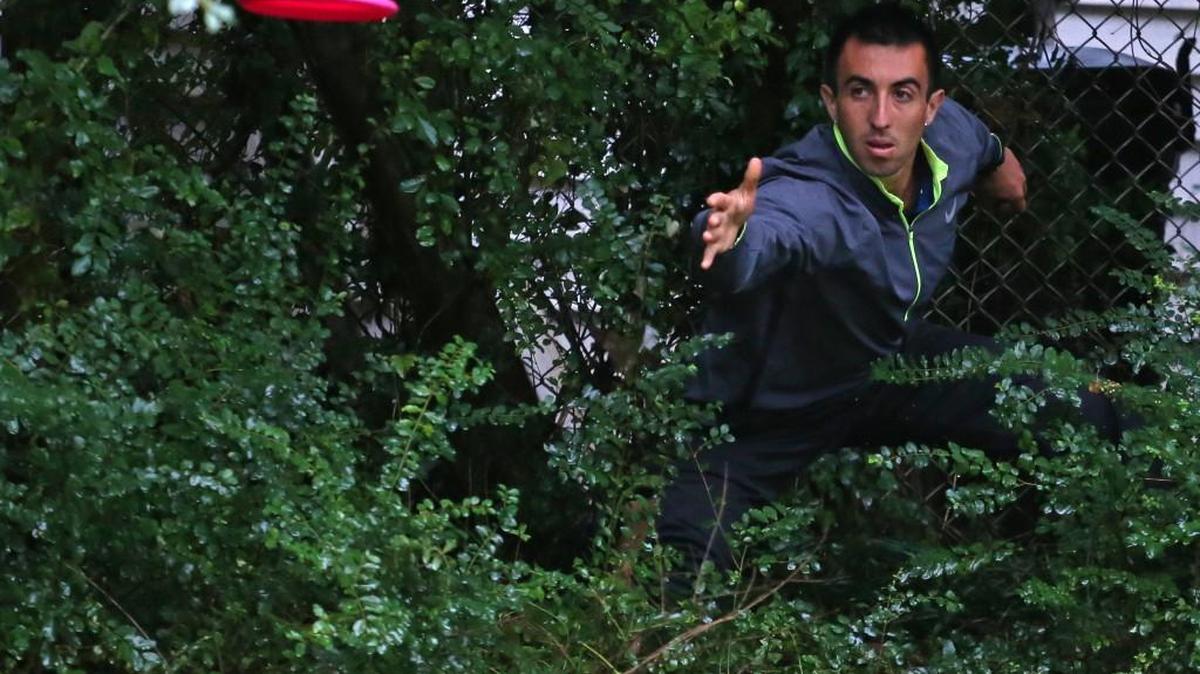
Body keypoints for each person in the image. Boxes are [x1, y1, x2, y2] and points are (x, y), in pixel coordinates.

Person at [658, 3, 1122, 586]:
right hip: (774, 406)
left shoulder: (951, 138)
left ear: (931, 107)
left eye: (903, 94)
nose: (881, 117)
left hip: (889, 367)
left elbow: (979, 142)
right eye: (860, 92)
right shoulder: (815, 194)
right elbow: (769, 235)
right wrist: (729, 236)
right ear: (831, 102)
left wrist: (1003, 164)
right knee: (682, 571)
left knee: (1084, 401)